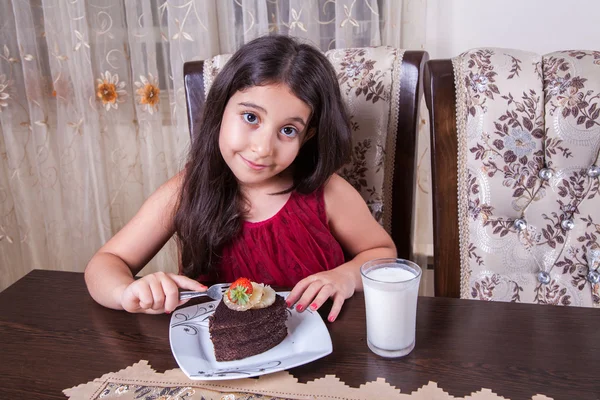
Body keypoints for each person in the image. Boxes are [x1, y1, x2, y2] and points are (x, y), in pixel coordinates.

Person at [84, 34, 396, 323]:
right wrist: (127, 292)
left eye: (288, 130)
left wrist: (345, 276)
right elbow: (105, 263)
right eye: (250, 117)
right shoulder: (186, 189)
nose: (262, 148)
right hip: (219, 358)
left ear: (307, 137)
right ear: (221, 109)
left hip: (320, 352)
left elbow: (383, 254)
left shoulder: (327, 193)